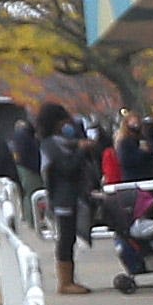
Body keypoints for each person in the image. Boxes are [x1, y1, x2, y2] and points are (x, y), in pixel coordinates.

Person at [39, 109, 104, 294]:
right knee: (66, 238)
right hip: (62, 197)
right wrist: (80, 151)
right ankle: (65, 282)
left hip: (75, 194)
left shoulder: (68, 143)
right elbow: (66, 168)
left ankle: (69, 278)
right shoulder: (50, 145)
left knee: (69, 237)